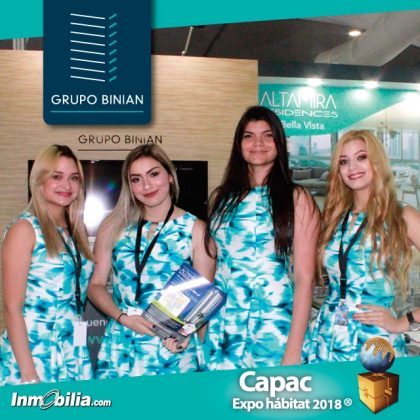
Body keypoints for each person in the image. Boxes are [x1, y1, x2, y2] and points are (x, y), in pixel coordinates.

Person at [203, 105, 320, 370]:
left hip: (275, 327)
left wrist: (294, 350)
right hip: (224, 327)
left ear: (279, 143)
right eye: (249, 136)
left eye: (267, 135)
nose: (258, 143)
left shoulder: (298, 198)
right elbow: (212, 271)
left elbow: (305, 278)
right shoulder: (221, 199)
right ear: (239, 144)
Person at [88, 144, 215, 378]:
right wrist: (123, 318)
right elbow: (95, 285)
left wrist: (184, 336)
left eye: (154, 174)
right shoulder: (113, 227)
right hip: (120, 346)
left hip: (171, 350)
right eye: (136, 179)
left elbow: (203, 300)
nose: (146, 185)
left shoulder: (196, 230)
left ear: (170, 176)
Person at [309, 130, 420, 363]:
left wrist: (404, 322)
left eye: (361, 157)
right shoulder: (334, 217)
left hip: (375, 342)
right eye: (344, 161)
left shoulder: (403, 216)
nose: (352, 167)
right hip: (328, 337)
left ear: (377, 162)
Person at [0, 145, 93, 385]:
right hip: (34, 352)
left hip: (72, 349)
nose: (67, 185)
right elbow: (11, 308)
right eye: (57, 176)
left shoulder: (76, 231)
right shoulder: (24, 229)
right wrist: (29, 374)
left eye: (74, 178)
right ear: (39, 180)